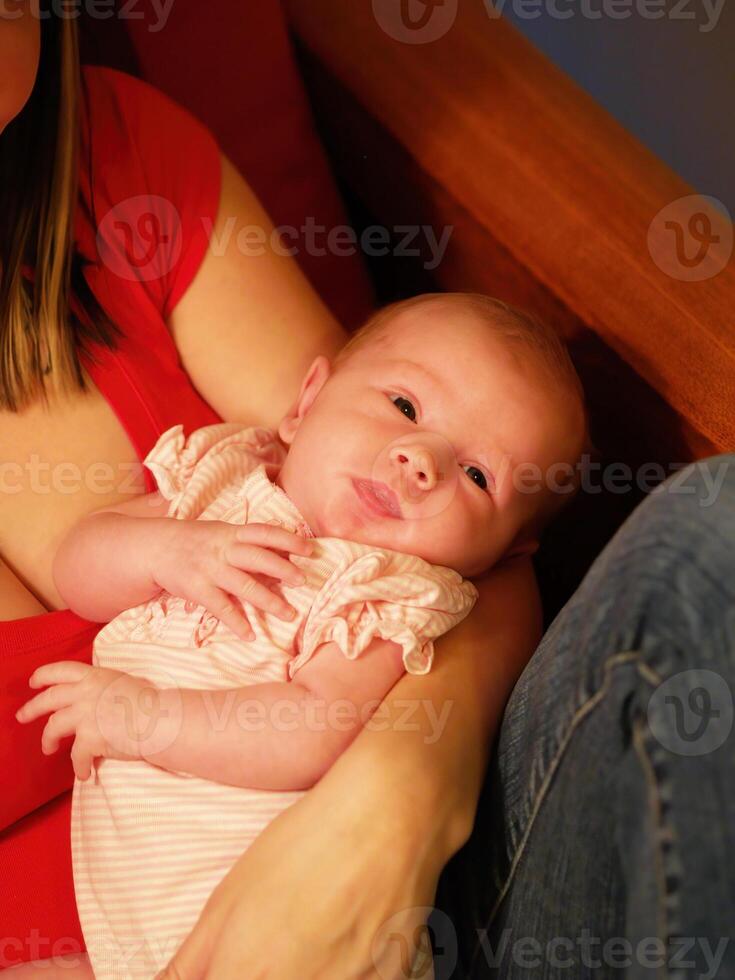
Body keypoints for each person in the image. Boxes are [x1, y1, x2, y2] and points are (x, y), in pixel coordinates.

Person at [0, 8, 541, 977]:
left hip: (405, 884)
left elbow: (471, 547)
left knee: (702, 532)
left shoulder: (116, 163)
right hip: (124, 945)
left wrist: (397, 804)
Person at [13, 293, 587, 979]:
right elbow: (77, 568)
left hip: (289, 928)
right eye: (404, 407)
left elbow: (317, 726)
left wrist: (145, 718)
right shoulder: (215, 486)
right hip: (139, 939)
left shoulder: (383, 592)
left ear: (500, 555)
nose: (419, 461)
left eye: (475, 476)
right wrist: (169, 551)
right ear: (305, 401)